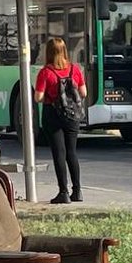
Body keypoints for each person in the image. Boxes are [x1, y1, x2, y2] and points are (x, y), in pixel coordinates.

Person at [34, 37, 86, 204]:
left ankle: (63, 192)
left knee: (59, 153)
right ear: (64, 51)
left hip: (52, 114)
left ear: (48, 52)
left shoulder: (45, 72)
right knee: (72, 152)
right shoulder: (75, 69)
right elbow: (83, 92)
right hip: (73, 116)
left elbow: (38, 97)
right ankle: (77, 191)